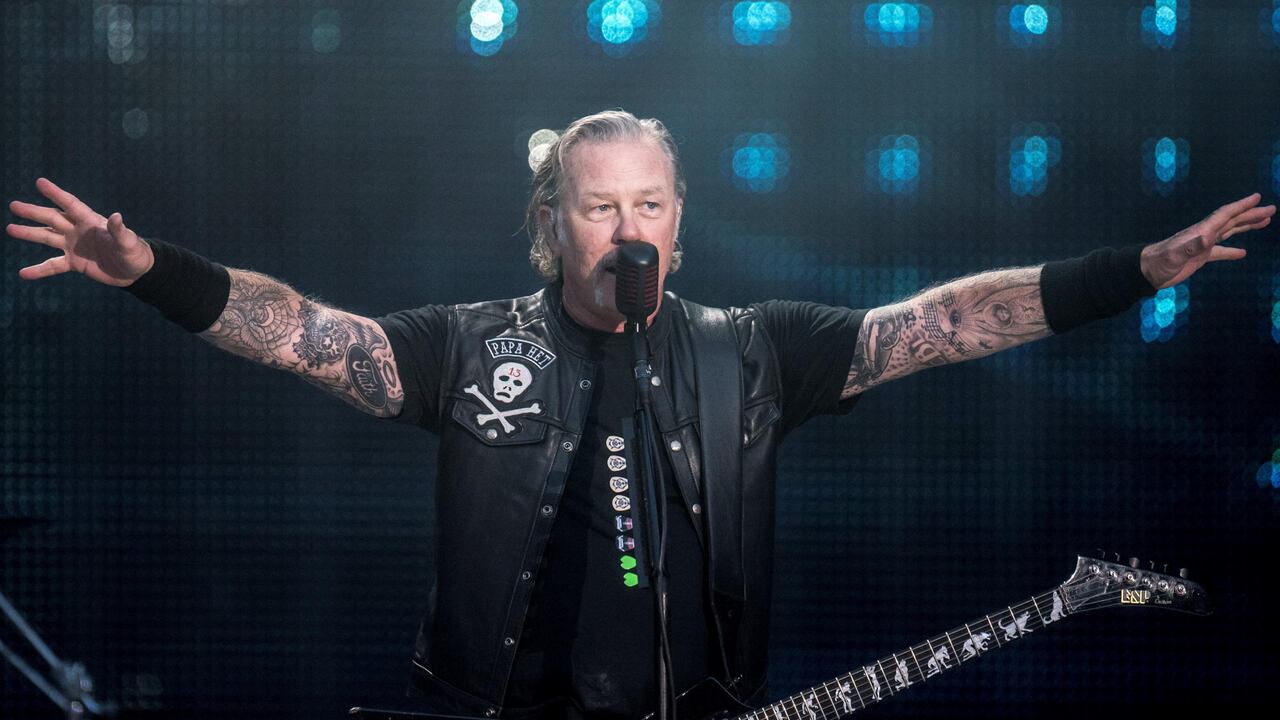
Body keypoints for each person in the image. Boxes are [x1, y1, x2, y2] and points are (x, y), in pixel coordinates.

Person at [5, 110, 1274, 720]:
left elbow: (947, 321)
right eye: (600, 205)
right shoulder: (472, 346)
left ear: (678, 220)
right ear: (551, 221)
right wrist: (154, 271)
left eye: (650, 205)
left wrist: (1131, 271)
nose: (629, 229)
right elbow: (304, 335)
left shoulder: (752, 352)